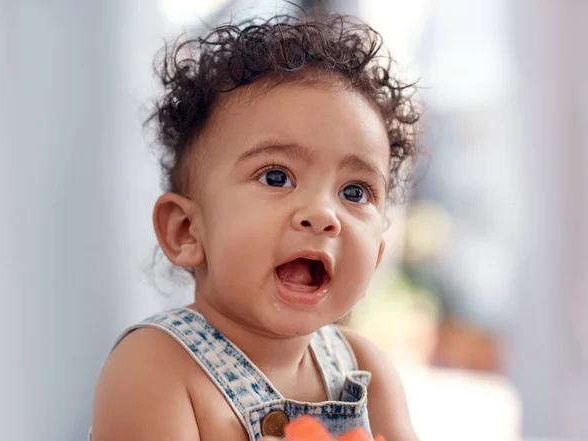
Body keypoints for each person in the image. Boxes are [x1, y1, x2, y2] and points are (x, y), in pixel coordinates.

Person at [91, 12, 421, 441]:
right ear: (186, 231)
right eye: (276, 177)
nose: (323, 214)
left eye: (355, 192)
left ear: (377, 254)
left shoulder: (365, 367)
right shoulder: (156, 367)